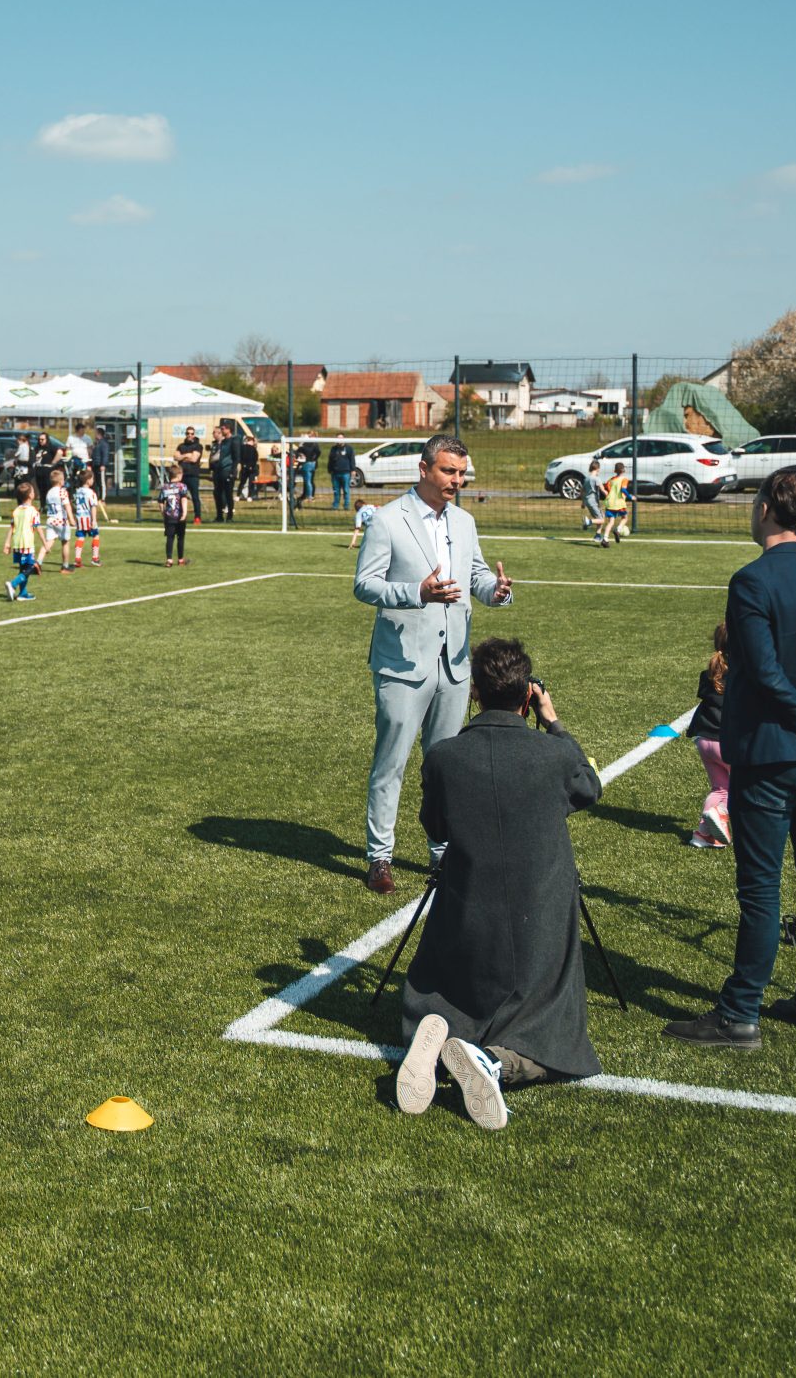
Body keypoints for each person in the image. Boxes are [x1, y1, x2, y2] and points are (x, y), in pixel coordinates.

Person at [665, 468, 796, 1049]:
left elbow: (762, 670)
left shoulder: (752, 580)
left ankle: (739, 1014)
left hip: (771, 752)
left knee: (762, 887)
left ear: (764, 509)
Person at [393, 638, 603, 1132]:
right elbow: (589, 788)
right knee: (554, 1032)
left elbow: (435, 827)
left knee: (449, 986)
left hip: (466, 907)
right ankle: (494, 1062)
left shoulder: (443, 756)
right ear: (527, 695)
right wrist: (554, 722)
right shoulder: (553, 755)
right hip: (540, 910)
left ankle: (437, 1029)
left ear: (474, 692)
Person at [353, 436, 513, 895]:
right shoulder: (387, 520)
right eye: (448, 471)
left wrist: (496, 590)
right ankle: (379, 857)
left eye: (462, 473)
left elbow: (475, 574)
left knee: (445, 766)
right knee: (391, 763)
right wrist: (415, 593)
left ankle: (442, 853)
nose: (456, 481)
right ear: (424, 469)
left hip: (455, 664)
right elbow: (364, 585)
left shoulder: (464, 521)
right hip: (402, 663)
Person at [689, 621, 733, 848]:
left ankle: (703, 834)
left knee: (720, 788)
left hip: (703, 738)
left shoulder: (709, 673)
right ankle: (720, 813)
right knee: (741, 788)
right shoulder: (742, 674)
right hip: (726, 741)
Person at [3, 479, 42, 600]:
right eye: (33, 491)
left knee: (23, 568)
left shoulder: (16, 510)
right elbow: (38, 527)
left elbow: (12, 527)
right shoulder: (33, 511)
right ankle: (13, 584)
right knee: (31, 567)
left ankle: (23, 593)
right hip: (27, 544)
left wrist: (7, 543)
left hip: (17, 544)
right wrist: (45, 543)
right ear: (30, 495)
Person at [158, 461, 193, 566]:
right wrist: (184, 513)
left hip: (169, 516)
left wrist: (163, 513)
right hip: (179, 516)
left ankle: (169, 559)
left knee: (170, 538)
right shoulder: (182, 486)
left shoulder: (165, 487)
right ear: (178, 475)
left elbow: (160, 502)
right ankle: (180, 559)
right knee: (180, 537)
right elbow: (184, 499)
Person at [40, 465, 73, 572]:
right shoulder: (62, 491)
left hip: (50, 520)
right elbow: (67, 505)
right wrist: (71, 519)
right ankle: (65, 566)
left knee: (48, 542)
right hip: (61, 520)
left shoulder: (49, 492)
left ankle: (38, 562)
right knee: (65, 542)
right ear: (60, 481)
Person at [71, 471, 102, 568]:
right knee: (96, 536)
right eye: (92, 479)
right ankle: (95, 558)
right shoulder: (91, 493)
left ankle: (77, 559)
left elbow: (74, 504)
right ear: (88, 480)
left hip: (80, 517)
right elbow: (93, 507)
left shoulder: (78, 492)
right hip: (88, 518)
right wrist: (94, 520)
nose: (93, 480)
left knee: (80, 537)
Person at [176, 428, 205, 520]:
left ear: (194, 434)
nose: (190, 435)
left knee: (195, 497)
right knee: (180, 496)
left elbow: (194, 459)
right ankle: (180, 515)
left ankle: (197, 517)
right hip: (182, 475)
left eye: (192, 433)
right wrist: (186, 455)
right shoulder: (181, 446)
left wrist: (182, 457)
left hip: (193, 475)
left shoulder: (198, 446)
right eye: (188, 433)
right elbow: (176, 457)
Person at [600, 464, 631, 546]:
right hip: (619, 503)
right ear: (624, 470)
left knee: (611, 522)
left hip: (610, 503)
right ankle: (618, 529)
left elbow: (606, 488)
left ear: (614, 471)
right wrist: (630, 497)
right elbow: (623, 489)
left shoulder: (610, 480)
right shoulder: (624, 479)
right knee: (625, 518)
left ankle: (605, 539)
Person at [581, 457, 607, 544]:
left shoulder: (586, 479)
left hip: (588, 501)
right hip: (593, 502)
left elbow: (582, 491)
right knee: (602, 520)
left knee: (600, 517)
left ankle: (597, 535)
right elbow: (603, 490)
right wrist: (610, 496)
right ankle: (588, 522)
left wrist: (583, 502)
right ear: (597, 468)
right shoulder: (596, 478)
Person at [327, 438, 356, 512]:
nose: (339, 440)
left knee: (346, 490)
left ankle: (346, 505)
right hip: (335, 473)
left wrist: (353, 469)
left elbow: (352, 459)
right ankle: (335, 505)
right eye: (338, 438)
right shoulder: (333, 449)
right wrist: (329, 469)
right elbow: (330, 459)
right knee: (336, 491)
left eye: (341, 438)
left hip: (345, 473)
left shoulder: (349, 448)